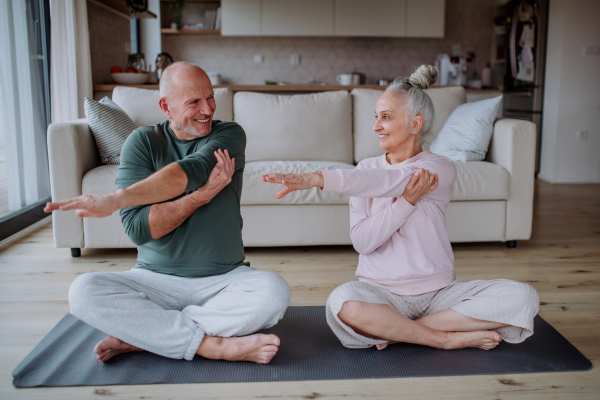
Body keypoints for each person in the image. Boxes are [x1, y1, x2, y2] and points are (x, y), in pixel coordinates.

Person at [262, 65, 539, 351]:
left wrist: (318, 178)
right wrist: (405, 204)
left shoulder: (438, 168)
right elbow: (362, 241)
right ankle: (443, 339)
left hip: (439, 294)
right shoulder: (365, 172)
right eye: (376, 117)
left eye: (385, 117)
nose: (375, 126)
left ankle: (396, 332)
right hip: (381, 295)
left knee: (523, 296)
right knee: (341, 303)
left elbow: (391, 180)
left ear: (415, 124)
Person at [45, 62, 290, 364]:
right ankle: (212, 345)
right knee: (82, 291)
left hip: (224, 279)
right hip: (154, 281)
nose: (207, 110)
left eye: (210, 98)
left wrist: (116, 199)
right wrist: (200, 197)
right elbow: (140, 229)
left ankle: (148, 336)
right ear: (166, 106)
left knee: (274, 292)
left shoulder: (229, 133)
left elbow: (194, 169)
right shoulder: (142, 143)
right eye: (194, 102)